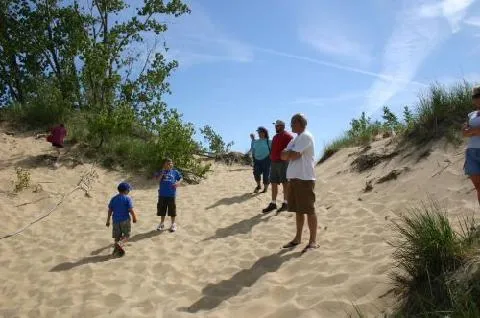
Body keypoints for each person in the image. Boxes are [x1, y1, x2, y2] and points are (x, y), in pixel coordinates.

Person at [280, 113, 318, 253]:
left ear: (300, 123)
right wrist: (290, 153)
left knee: (309, 209)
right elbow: (282, 155)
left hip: (305, 178)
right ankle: (297, 238)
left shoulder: (306, 136)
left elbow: (294, 155)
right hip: (294, 179)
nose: (291, 125)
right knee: (298, 210)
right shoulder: (296, 139)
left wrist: (290, 153)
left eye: (293, 123)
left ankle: (313, 241)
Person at [262, 120, 294, 214]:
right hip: (274, 162)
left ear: (283, 126)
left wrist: (288, 158)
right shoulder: (275, 137)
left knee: (285, 182)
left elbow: (293, 147)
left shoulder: (288, 136)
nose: (276, 127)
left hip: (283, 163)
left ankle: (286, 203)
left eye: (278, 126)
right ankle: (273, 203)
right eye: (276, 126)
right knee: (273, 182)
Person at [106, 182, 137, 257]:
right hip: (125, 220)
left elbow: (110, 210)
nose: (129, 191)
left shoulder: (113, 199)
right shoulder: (127, 198)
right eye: (128, 190)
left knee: (117, 236)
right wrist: (134, 217)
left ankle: (116, 251)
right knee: (126, 235)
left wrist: (108, 220)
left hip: (115, 221)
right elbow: (130, 209)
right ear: (126, 190)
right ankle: (120, 243)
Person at [462, 85, 480, 206]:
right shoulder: (471, 115)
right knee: (478, 187)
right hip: (472, 152)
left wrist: (471, 131)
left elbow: (470, 131)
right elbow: (464, 132)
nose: (477, 98)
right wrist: (474, 130)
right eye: (475, 96)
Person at [154, 158, 182, 232]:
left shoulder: (175, 172)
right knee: (162, 210)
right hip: (162, 194)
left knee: (172, 210)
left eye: (171, 163)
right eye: (168, 163)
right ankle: (162, 223)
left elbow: (181, 178)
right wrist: (162, 174)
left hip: (171, 195)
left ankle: (173, 224)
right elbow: (157, 180)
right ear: (164, 164)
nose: (170, 164)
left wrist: (178, 183)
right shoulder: (160, 171)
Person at [250, 127, 272, 193]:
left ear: (265, 133)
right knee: (256, 173)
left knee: (266, 175)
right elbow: (253, 150)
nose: (259, 133)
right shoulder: (255, 142)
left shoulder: (269, 141)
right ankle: (258, 186)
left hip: (266, 160)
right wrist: (253, 158)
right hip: (257, 160)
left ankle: (265, 189)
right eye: (258, 132)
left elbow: (273, 150)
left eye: (261, 132)